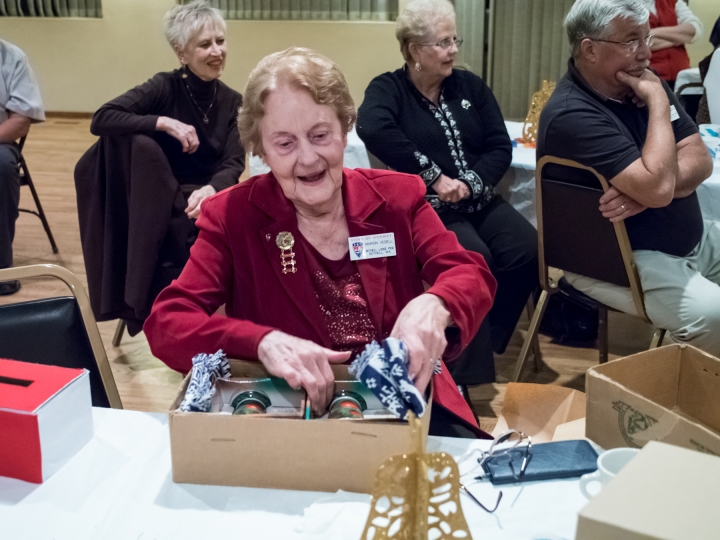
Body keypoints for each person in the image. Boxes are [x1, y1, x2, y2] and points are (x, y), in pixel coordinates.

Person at [144, 47, 497, 438]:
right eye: (285, 143)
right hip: (286, 417)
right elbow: (167, 324)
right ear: (260, 150)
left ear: (345, 129)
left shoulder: (396, 199)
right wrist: (261, 343)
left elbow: (470, 273)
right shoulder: (233, 216)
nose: (308, 159)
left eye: (320, 135)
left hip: (403, 408)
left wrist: (437, 303)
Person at [356, 0, 537, 386]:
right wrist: (435, 177)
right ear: (413, 50)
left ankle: (485, 337)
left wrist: (471, 182)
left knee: (528, 250)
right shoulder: (389, 89)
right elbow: (372, 127)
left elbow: (499, 146)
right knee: (475, 258)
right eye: (442, 42)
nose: (454, 49)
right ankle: (465, 379)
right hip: (429, 209)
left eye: (455, 39)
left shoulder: (469, 85)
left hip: (480, 200)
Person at [538, 0, 719, 355]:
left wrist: (650, 193)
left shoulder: (643, 81)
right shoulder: (571, 113)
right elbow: (659, 186)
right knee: (713, 315)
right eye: (632, 41)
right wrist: (656, 105)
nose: (646, 52)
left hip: (688, 240)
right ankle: (692, 404)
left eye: (646, 38)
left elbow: (700, 160)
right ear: (589, 48)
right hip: (619, 257)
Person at [75, 0, 245, 335]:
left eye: (220, 41)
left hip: (209, 191)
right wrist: (163, 122)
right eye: (205, 44)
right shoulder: (163, 87)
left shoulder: (233, 100)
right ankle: (180, 324)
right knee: (184, 228)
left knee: (233, 222)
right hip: (157, 200)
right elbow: (103, 118)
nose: (217, 51)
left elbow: (234, 162)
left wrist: (211, 189)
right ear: (181, 53)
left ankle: (218, 323)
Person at [0, 39, 45, 296]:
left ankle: (2, 268)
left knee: (3, 166)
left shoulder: (12, 58)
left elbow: (19, 122)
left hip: (0, 140)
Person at [644, 0, 703, 88]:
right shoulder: (625, 5)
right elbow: (638, 42)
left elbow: (694, 30)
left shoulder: (673, 2)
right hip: (650, 79)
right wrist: (678, 39)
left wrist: (652, 33)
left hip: (682, 78)